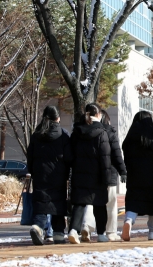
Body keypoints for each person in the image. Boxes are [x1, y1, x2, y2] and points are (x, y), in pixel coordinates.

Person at [26, 106, 72, 245]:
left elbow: (30, 156)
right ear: (57, 118)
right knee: (58, 202)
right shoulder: (63, 134)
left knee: (41, 201)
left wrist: (33, 171)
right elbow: (69, 156)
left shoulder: (36, 134)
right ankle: (58, 234)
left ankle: (38, 226)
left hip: (40, 173)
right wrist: (68, 172)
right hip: (58, 173)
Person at [80, 110, 127, 242]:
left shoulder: (87, 131)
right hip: (110, 173)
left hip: (92, 173)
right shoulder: (109, 132)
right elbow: (117, 154)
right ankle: (111, 232)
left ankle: (86, 226)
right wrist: (122, 170)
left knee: (90, 202)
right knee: (111, 203)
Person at [68, 103, 112, 244]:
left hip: (79, 174)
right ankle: (101, 234)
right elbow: (105, 157)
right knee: (99, 205)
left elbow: (69, 154)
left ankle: (73, 231)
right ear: (98, 115)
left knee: (79, 205)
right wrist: (107, 178)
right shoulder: (101, 132)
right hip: (97, 175)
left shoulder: (76, 132)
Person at [121, 111, 153, 241]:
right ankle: (152, 232)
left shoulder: (128, 140)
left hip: (134, 177)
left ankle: (129, 221)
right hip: (152, 178)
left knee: (133, 202)